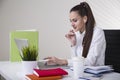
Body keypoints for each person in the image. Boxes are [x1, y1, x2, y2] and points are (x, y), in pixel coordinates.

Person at [45, 2, 106, 66]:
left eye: (75, 20)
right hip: (83, 72)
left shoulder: (97, 32)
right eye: (71, 21)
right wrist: (73, 44)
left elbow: (90, 62)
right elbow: (75, 61)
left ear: (85, 19)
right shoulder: (77, 34)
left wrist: (63, 61)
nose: (72, 24)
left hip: (96, 73)